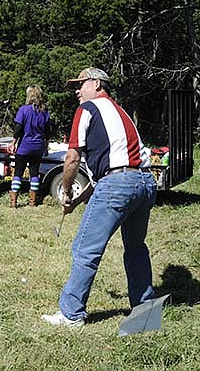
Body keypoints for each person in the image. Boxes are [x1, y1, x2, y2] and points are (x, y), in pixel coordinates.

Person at [41, 67, 157, 327]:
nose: (77, 91)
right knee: (136, 248)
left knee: (84, 249)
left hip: (118, 184)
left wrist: (67, 190)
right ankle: (145, 309)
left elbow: (72, 158)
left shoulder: (87, 109)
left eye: (80, 85)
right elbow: (109, 178)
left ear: (95, 83)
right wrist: (78, 201)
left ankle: (71, 314)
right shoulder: (122, 112)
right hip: (144, 182)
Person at [8, 85, 51, 208]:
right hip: (37, 148)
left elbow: (18, 129)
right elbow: (47, 131)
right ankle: (32, 202)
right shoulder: (44, 111)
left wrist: (13, 142)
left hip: (24, 147)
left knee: (18, 173)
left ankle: (13, 202)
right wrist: (46, 146)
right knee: (34, 173)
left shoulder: (23, 110)